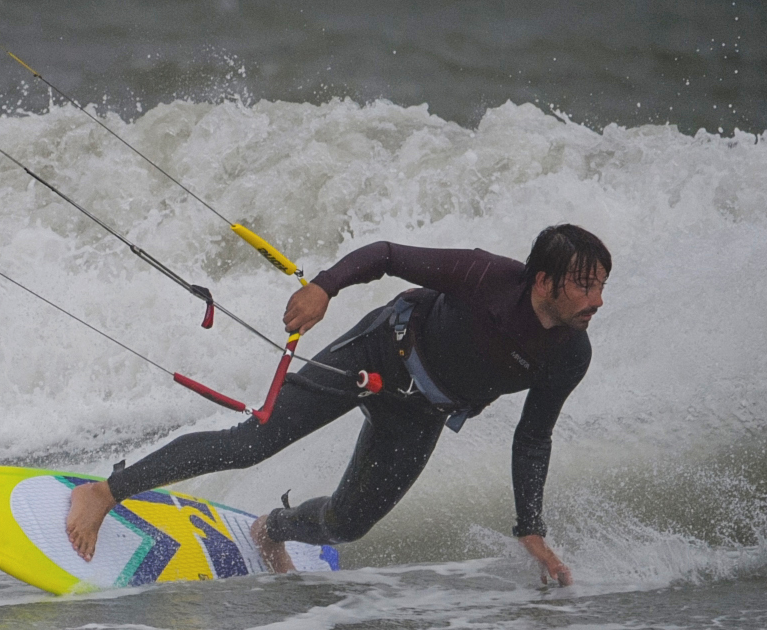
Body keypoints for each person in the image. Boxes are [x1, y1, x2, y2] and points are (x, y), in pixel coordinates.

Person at [65, 223, 608, 586]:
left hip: (422, 411)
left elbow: (534, 437)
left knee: (347, 524)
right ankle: (104, 492)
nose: (596, 302)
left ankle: (271, 528)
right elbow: (387, 256)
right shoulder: (486, 276)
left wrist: (529, 526)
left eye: (601, 287)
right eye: (584, 287)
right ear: (543, 281)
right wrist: (324, 289)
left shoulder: (569, 354)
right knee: (253, 443)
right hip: (378, 354)